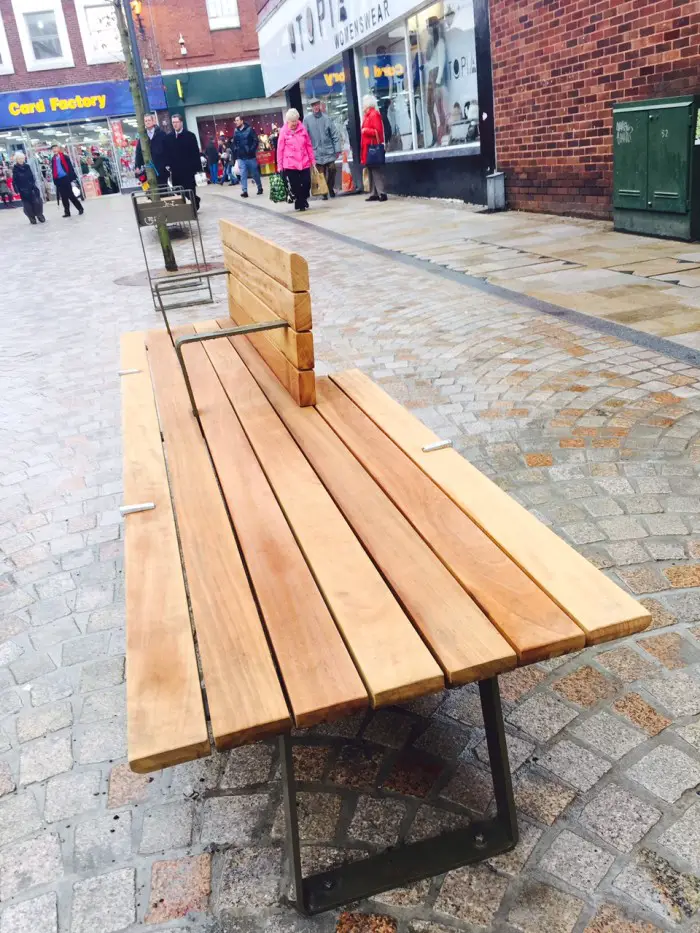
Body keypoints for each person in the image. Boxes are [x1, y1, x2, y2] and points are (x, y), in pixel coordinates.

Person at [276, 108, 315, 212]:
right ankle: (300, 202)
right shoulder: (284, 132)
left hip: (304, 161)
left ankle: (303, 199)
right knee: (295, 185)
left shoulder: (302, 129)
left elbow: (308, 145)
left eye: (295, 121)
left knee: (307, 183)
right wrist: (280, 166)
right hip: (290, 164)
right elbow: (280, 149)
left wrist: (312, 160)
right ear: (287, 121)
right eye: (292, 121)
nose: (294, 123)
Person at [303, 98, 341, 200]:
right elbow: (304, 137)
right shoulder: (307, 120)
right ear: (311, 107)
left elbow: (334, 135)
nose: (315, 107)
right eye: (313, 105)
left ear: (319, 105)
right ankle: (324, 192)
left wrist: (337, 149)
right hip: (316, 152)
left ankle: (330, 187)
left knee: (333, 169)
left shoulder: (327, 118)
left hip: (329, 150)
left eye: (317, 105)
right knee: (321, 173)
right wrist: (307, 152)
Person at [168, 114, 201, 209]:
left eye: (177, 122)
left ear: (181, 122)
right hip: (176, 170)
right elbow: (168, 153)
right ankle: (191, 203)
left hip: (188, 170)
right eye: (173, 122)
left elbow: (195, 153)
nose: (175, 124)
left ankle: (194, 208)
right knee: (178, 190)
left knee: (190, 190)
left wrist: (197, 169)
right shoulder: (169, 137)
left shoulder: (190, 136)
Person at [360, 95, 387, 203]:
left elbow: (378, 131)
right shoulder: (367, 115)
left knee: (375, 171)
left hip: (372, 148)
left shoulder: (373, 115)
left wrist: (366, 131)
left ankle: (382, 192)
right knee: (371, 170)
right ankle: (374, 193)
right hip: (368, 148)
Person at [134, 113, 170, 188]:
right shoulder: (142, 136)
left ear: (153, 121)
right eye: (146, 121)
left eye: (149, 120)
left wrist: (167, 164)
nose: (147, 122)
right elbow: (138, 152)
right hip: (148, 170)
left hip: (161, 169)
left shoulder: (161, 134)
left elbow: (167, 150)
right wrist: (137, 166)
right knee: (150, 192)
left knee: (163, 191)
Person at [232, 115, 263, 198]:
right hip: (240, 157)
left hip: (250, 156)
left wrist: (251, 150)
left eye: (237, 120)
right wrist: (236, 150)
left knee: (255, 173)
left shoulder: (250, 129)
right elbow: (234, 142)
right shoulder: (235, 131)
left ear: (242, 121)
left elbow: (255, 140)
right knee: (243, 174)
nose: (236, 122)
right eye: (235, 121)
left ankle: (259, 187)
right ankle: (244, 191)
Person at [12, 151, 45, 225]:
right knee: (27, 205)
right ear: (16, 160)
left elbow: (32, 177)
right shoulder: (15, 168)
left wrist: (33, 184)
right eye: (19, 159)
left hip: (32, 187)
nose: (21, 160)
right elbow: (14, 180)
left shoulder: (27, 166)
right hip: (23, 189)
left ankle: (39, 214)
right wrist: (16, 189)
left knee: (37, 202)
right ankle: (31, 217)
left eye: (22, 158)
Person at [51, 144, 84, 217]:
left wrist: (70, 178)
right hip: (58, 179)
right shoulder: (53, 159)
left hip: (66, 178)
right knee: (63, 197)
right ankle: (67, 212)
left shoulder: (65, 157)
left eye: (55, 148)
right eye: (53, 149)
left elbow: (70, 168)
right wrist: (55, 180)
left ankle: (80, 208)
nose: (54, 150)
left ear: (59, 149)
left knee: (70, 195)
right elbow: (53, 170)